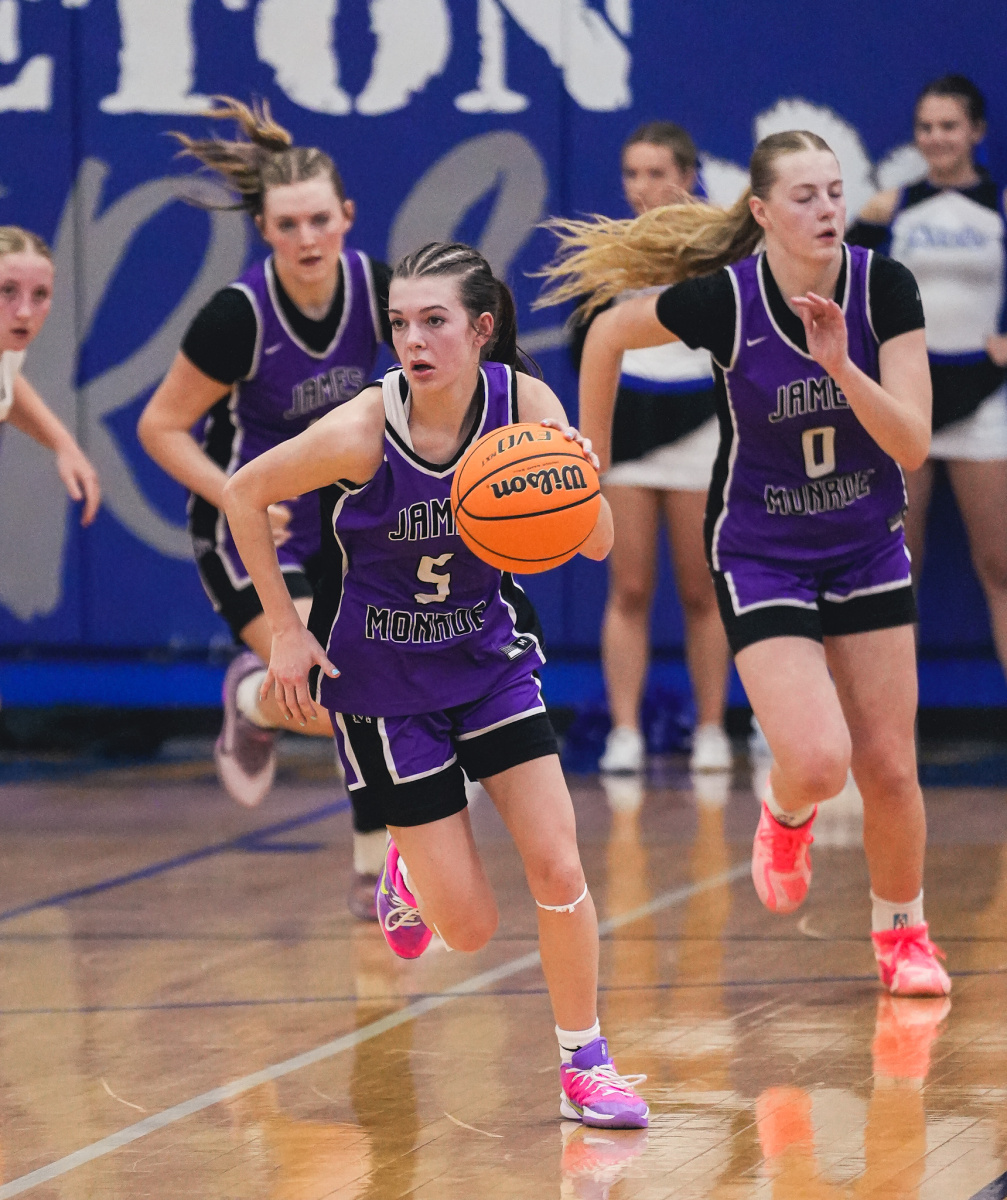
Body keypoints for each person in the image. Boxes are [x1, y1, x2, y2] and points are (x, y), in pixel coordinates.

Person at [222, 241, 649, 1128]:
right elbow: (243, 494)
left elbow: (599, 543)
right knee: (470, 930)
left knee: (558, 861)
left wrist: (574, 479)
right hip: (382, 687)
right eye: (399, 324)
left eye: (433, 321)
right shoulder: (360, 432)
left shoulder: (521, 406)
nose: (412, 341)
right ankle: (409, 868)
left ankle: (586, 1063)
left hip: (488, 660)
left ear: (481, 328)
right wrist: (289, 631)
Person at [540, 130, 950, 997]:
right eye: (804, 196)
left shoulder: (884, 287)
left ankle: (902, 935)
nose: (827, 209)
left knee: (887, 767)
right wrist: (588, 463)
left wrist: (841, 367)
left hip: (865, 544)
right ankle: (786, 810)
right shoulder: (726, 301)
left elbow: (911, 444)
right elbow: (607, 334)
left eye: (834, 191)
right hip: (762, 552)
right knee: (817, 761)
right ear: (761, 212)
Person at [138, 98, 390, 918]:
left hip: (343, 525)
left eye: (320, 220)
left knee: (368, 681)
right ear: (263, 230)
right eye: (287, 225)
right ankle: (251, 698)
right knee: (324, 690)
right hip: (251, 525)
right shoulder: (237, 317)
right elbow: (160, 426)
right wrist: (234, 494)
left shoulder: (379, 290)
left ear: (347, 215)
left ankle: (373, 874)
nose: (307, 239)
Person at [569, 122, 731, 775]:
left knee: (701, 590)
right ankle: (626, 731)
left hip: (699, 425)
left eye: (656, 172)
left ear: (687, 176)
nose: (642, 186)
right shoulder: (610, 250)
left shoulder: (718, 248)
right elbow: (588, 346)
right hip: (630, 424)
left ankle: (713, 728)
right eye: (631, 173)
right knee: (629, 587)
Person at [848, 75, 1007, 683]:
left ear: (976, 131)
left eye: (949, 126)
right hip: (908, 397)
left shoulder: (999, 205)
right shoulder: (891, 207)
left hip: (983, 398)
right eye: (926, 127)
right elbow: (837, 284)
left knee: (999, 565)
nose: (936, 137)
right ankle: (897, 725)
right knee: (898, 571)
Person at [0, 226, 100, 525]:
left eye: (40, 294)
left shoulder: (7, 349)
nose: (24, 312)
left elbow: (8, 381)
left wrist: (63, 444)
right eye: (7, 290)